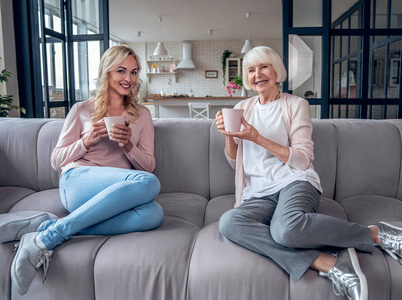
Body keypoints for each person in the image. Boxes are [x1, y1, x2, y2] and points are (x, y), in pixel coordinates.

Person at [215, 46, 402, 300]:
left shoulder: (296, 104)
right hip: (258, 193)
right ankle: (328, 262)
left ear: (276, 70)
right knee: (229, 222)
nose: (257, 74)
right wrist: (229, 137)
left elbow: (302, 160)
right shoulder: (242, 107)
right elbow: (237, 164)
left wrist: (256, 137)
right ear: (246, 77)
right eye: (251, 70)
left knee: (286, 231)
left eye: (263, 67)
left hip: (295, 182)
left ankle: (374, 234)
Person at [1, 45, 164, 295]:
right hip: (78, 181)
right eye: (121, 71)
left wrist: (128, 146)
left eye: (134, 72)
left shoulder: (141, 114)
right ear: (107, 73)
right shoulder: (82, 109)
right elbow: (57, 160)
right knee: (150, 183)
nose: (129, 78)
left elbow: (149, 164)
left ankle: (47, 227)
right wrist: (87, 141)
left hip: (116, 190)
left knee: (154, 214)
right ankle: (48, 240)